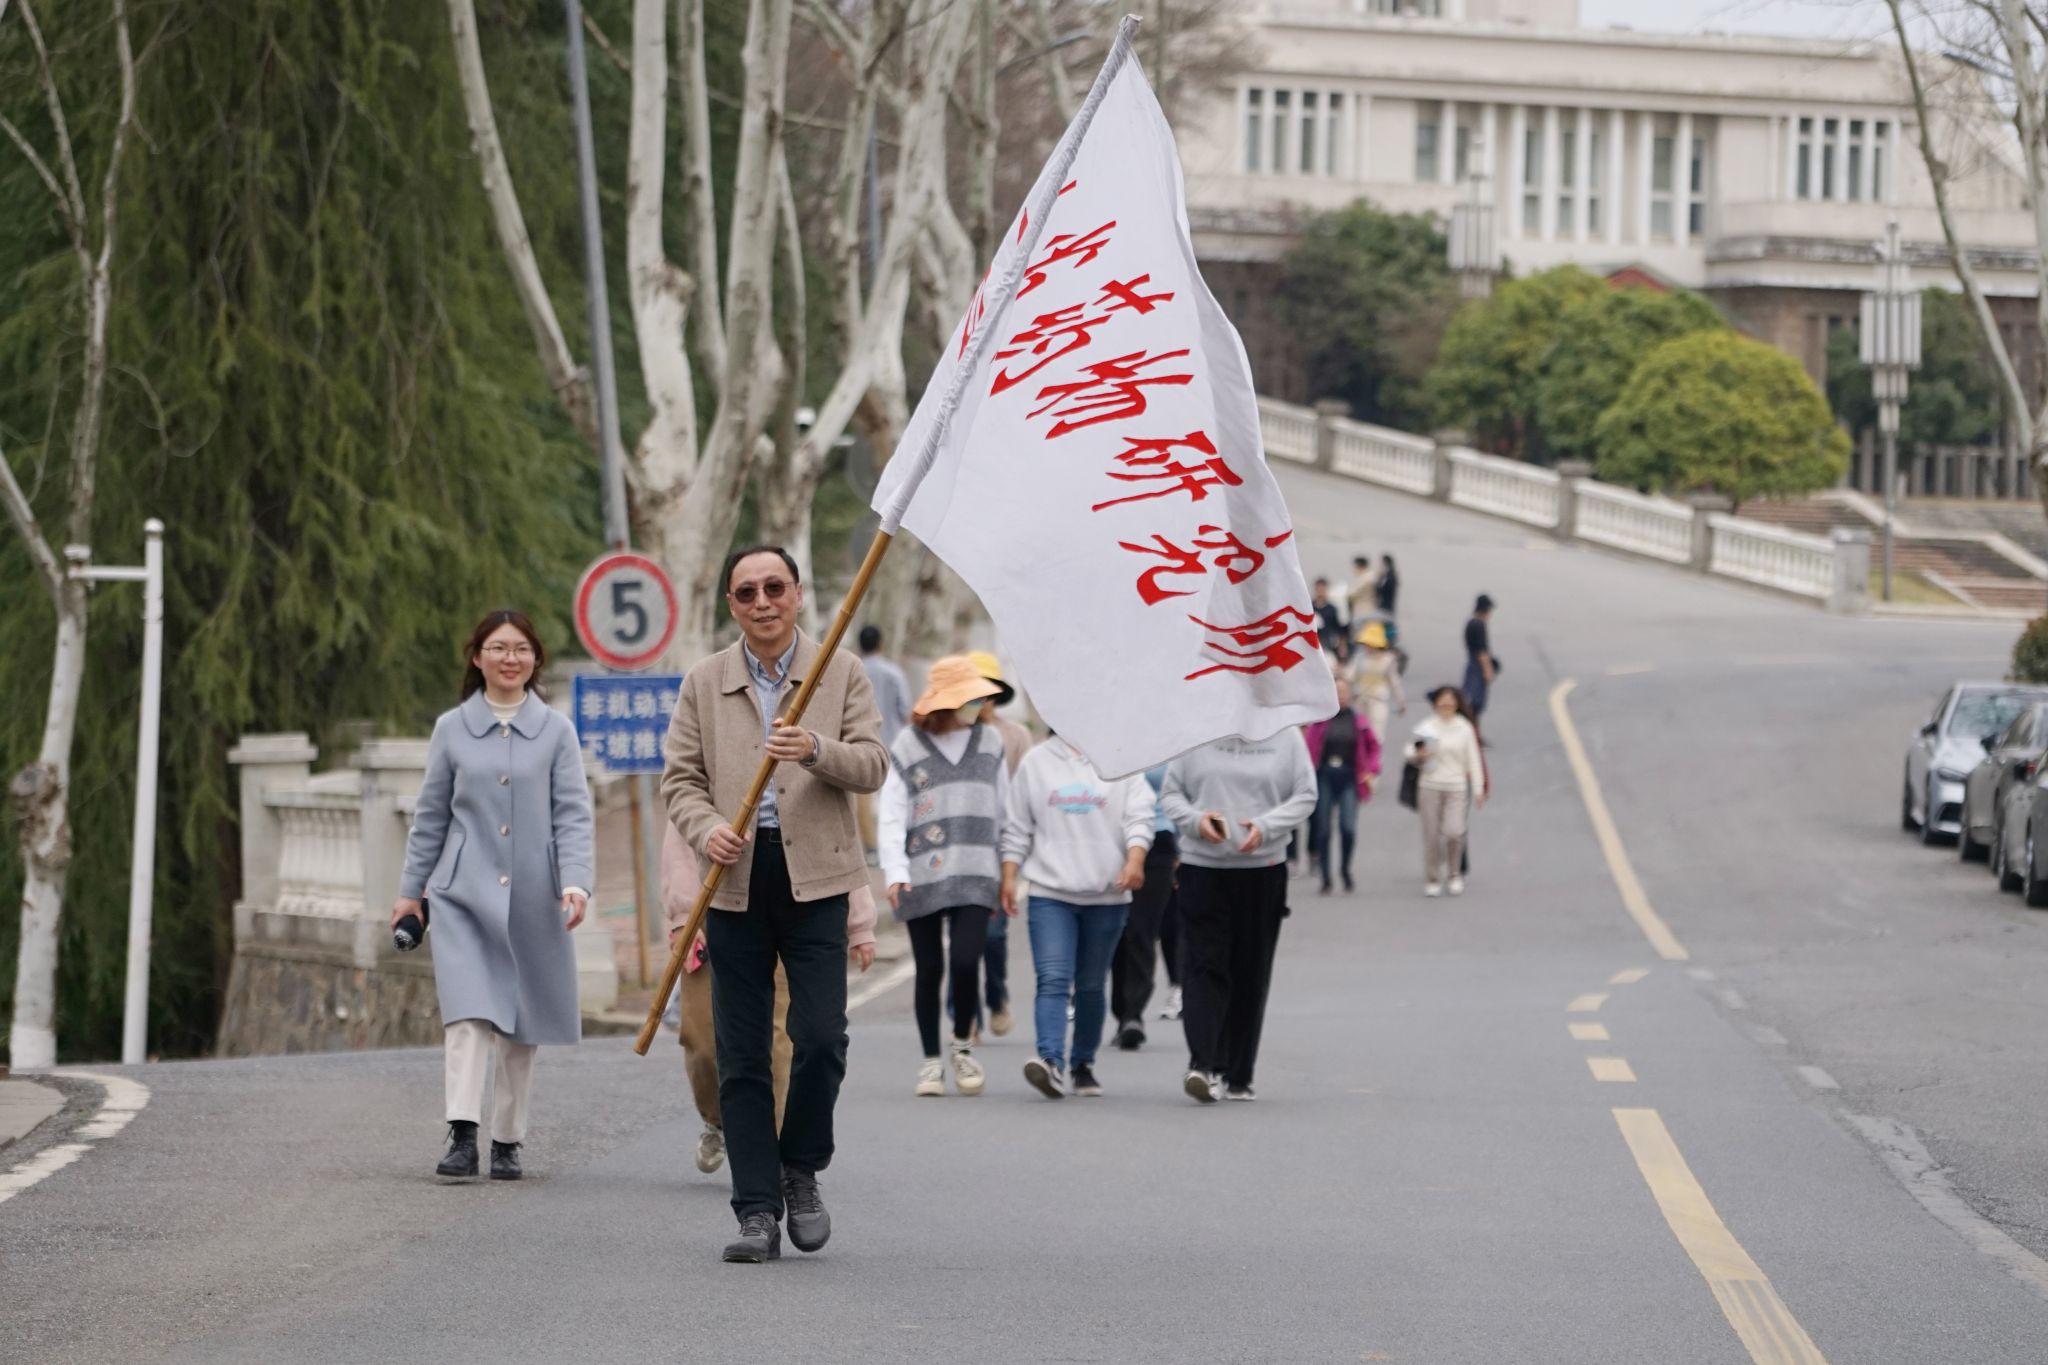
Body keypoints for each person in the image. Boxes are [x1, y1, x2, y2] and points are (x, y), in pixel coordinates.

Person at [662, 545, 885, 1265]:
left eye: (774, 588)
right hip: (732, 883)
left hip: (817, 878)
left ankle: (801, 1169)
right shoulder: (704, 682)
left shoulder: (838, 670)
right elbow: (680, 782)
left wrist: (815, 747)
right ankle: (756, 1208)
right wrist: (708, 829)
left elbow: (873, 763)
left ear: (797, 594)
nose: (762, 601)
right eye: (747, 591)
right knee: (741, 1050)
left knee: (821, 1037)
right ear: (732, 603)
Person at [393, 610, 594, 1183]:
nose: (511, 658)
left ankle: (507, 1139)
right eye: (498, 648)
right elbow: (429, 816)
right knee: (468, 1015)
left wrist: (576, 882)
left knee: (520, 1024)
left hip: (536, 893)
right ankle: (462, 1133)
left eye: (522, 649)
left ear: (535, 661)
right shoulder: (451, 728)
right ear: (476, 657)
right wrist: (411, 893)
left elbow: (574, 814)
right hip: (460, 893)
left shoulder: (557, 731)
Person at [662, 825, 879, 1173]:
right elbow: (681, 836)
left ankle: (769, 1153)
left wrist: (860, 923)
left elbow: (839, 834)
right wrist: (683, 917)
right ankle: (718, 1120)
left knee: (782, 1040)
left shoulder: (802, 767)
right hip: (713, 906)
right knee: (702, 1040)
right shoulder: (710, 770)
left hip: (794, 906)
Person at [1162, 734, 1317, 1103]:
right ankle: (1204, 1064)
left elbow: (1306, 796)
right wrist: (1197, 821)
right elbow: (1170, 795)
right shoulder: (1196, 734)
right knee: (1203, 965)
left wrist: (1266, 826)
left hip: (1262, 869)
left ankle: (1239, 1073)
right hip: (1203, 867)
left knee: (1250, 969)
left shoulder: (1285, 736)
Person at [879, 656, 1008, 1098]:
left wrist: (1009, 871)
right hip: (922, 875)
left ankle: (962, 1047)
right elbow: (892, 815)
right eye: (969, 697)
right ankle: (931, 1061)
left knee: (968, 961)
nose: (977, 704)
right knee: (929, 968)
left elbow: (1002, 812)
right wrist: (894, 872)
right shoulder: (908, 745)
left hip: (977, 871)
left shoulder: (990, 742)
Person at [1000, 733, 1155, 1099]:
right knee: (1053, 978)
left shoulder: (1121, 756)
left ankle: (1082, 1063)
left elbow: (1140, 817)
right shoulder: (1037, 761)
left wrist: (1135, 860)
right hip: (1050, 893)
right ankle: (1050, 1060)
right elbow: (1018, 825)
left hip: (1108, 894)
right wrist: (1008, 875)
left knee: (1090, 985)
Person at [967, 650, 1029, 1038]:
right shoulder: (946, 733)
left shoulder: (1015, 736)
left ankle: (997, 995)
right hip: (956, 851)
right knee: (960, 938)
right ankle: (965, 1013)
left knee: (992, 935)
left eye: (986, 692)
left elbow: (1022, 795)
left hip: (997, 850)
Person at [1111, 762, 1180, 1050]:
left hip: (1159, 840)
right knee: (1117, 930)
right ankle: (1120, 1008)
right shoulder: (1110, 738)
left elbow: (1184, 795)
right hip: (1112, 840)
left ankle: (1132, 1015)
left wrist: (1183, 851)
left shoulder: (1170, 743)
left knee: (1142, 930)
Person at [1303, 679, 1383, 895]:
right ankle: (1326, 876)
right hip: (1325, 775)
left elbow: (1374, 747)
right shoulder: (1320, 722)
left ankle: (1345, 869)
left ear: (1350, 695)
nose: (1340, 696)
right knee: (1323, 829)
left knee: (1347, 827)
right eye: (1336, 692)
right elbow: (1307, 750)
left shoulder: (1359, 721)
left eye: (1344, 692)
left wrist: (1371, 770)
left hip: (1349, 776)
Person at [1410, 685, 1488, 898]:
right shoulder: (1426, 727)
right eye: (1442, 700)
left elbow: (1473, 759)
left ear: (1457, 703)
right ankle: (1432, 878)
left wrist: (1479, 788)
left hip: (1456, 787)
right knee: (1432, 836)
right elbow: (1410, 751)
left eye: (1450, 700)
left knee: (1455, 832)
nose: (1446, 704)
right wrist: (1419, 756)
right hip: (1430, 786)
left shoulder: (1464, 728)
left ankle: (1454, 874)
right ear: (1435, 703)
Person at [1348, 621, 1406, 742]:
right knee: (1359, 733)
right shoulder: (1359, 659)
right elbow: (1349, 676)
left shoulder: (1388, 660)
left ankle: (1375, 759)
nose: (1368, 647)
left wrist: (1401, 702)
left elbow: (1394, 682)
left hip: (1378, 701)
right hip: (1360, 700)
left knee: (1376, 734)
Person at [857, 624, 910, 744]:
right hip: (892, 744)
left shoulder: (853, 673)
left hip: (861, 745)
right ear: (880, 644)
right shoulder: (895, 673)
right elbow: (905, 712)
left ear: (860, 645)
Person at [1462, 594, 1497, 717]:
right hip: (1477, 667)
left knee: (1469, 697)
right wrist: (1488, 671)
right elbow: (1482, 651)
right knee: (1475, 701)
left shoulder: (1470, 623)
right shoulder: (1479, 625)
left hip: (1471, 664)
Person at [1311, 578, 1346, 660]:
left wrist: (1342, 645)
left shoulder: (1332, 609)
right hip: (1313, 645)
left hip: (1329, 644)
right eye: (1318, 588)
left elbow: (1339, 627)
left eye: (1322, 588)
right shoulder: (1310, 608)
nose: (1320, 591)